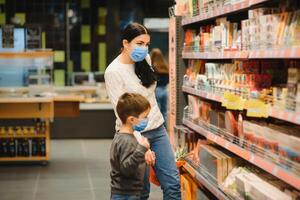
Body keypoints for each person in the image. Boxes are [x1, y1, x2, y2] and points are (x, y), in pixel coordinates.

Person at [105, 22, 181, 200]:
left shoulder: (144, 59)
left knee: (172, 184)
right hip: (134, 136)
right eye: (139, 44)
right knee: (140, 192)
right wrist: (141, 146)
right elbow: (122, 114)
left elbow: (150, 95)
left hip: (157, 129)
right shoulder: (113, 71)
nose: (144, 48)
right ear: (125, 43)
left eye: (146, 44)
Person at [110, 93, 154, 200]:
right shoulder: (126, 141)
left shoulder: (124, 136)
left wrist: (144, 154)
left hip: (125, 192)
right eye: (145, 117)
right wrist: (141, 149)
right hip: (126, 194)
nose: (147, 120)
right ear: (132, 120)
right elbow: (126, 169)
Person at [150, 48, 169, 128]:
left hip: (156, 91)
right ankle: (164, 127)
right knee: (164, 111)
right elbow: (168, 80)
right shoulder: (165, 66)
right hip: (164, 91)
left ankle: (158, 128)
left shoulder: (153, 68)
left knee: (157, 111)